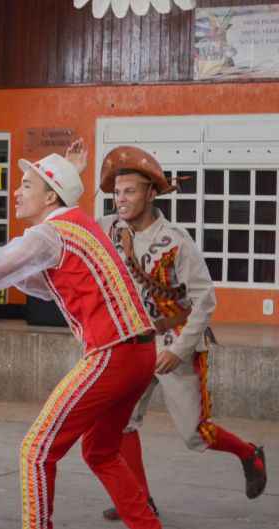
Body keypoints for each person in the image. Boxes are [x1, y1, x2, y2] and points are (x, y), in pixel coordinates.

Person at [0, 142, 161, 529]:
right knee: (101, 451)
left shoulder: (49, 233)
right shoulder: (75, 226)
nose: (16, 191)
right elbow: (47, 284)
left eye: (26, 185)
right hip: (138, 353)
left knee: (36, 450)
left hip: (112, 353)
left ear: (50, 195)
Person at [84, 145, 267, 520]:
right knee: (124, 424)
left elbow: (204, 300)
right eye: (117, 192)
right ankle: (140, 501)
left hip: (174, 341)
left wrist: (180, 349)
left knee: (194, 434)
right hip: (133, 345)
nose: (120, 200)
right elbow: (70, 225)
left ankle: (249, 453)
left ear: (151, 193)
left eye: (130, 191)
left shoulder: (178, 241)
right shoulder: (108, 229)